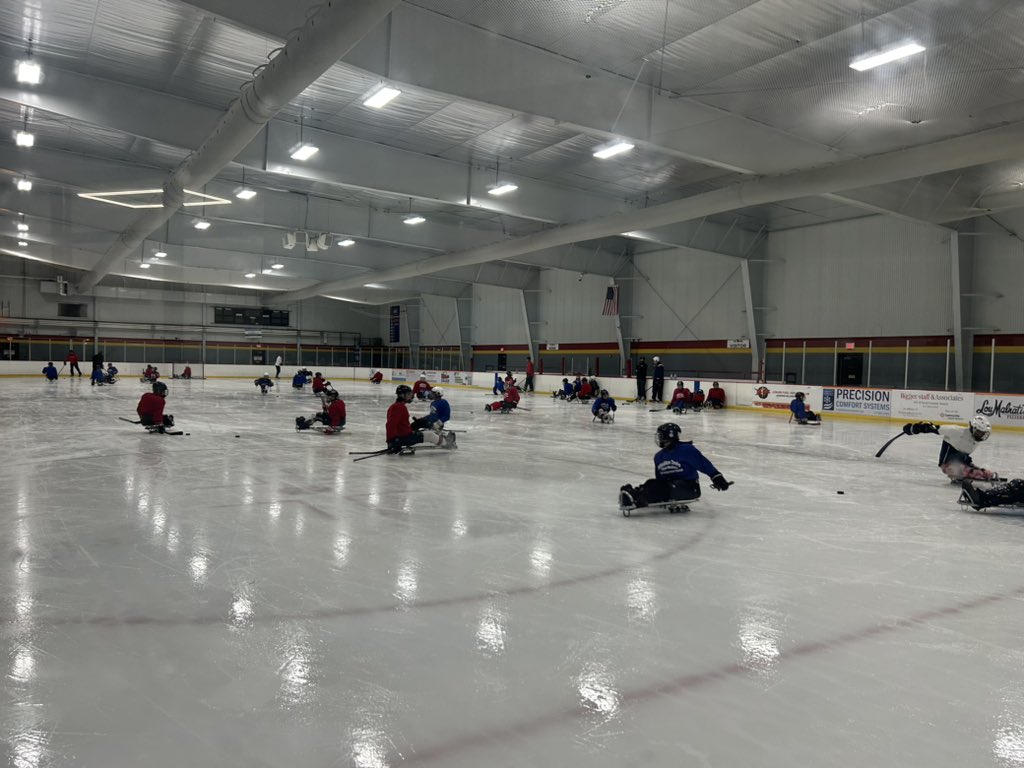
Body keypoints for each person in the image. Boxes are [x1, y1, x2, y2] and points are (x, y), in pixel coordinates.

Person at [619, 423, 731, 509]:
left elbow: (703, 464)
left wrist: (717, 477)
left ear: (670, 436)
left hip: (689, 487)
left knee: (660, 487)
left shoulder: (686, 450)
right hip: (670, 486)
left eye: (661, 436)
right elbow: (660, 479)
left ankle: (637, 498)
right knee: (652, 483)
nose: (659, 438)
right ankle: (637, 493)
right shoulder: (659, 456)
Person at [901, 416, 997, 482]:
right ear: (973, 428)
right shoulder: (957, 431)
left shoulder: (975, 440)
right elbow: (934, 428)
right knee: (976, 473)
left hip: (962, 462)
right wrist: (915, 428)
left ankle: (973, 472)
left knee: (983, 473)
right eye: (980, 433)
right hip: (948, 465)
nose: (981, 436)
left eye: (983, 434)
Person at [386, 384, 456, 452]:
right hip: (402, 437)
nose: (411, 396)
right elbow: (390, 425)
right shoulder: (398, 407)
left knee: (423, 430)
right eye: (408, 394)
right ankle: (447, 443)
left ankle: (443, 440)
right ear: (402, 395)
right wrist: (392, 441)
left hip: (403, 435)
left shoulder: (398, 406)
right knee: (430, 435)